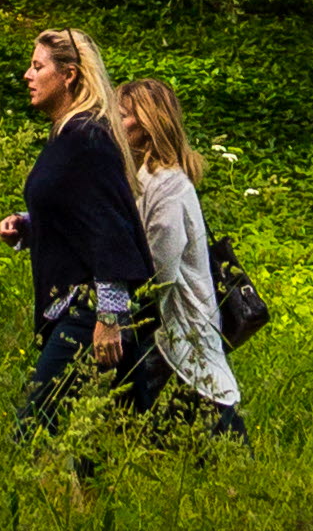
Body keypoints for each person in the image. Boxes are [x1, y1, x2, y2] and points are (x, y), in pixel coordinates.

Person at [0, 26, 152, 439]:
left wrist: (109, 318)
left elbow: (111, 226)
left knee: (31, 431)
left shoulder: (87, 137)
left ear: (68, 75)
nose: (27, 75)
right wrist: (27, 226)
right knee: (95, 442)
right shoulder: (66, 134)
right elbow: (76, 214)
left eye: (37, 66)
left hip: (86, 312)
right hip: (70, 307)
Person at [114, 77, 246, 443]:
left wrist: (112, 301)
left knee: (208, 416)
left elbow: (161, 272)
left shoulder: (167, 185)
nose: (115, 123)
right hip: (164, 331)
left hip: (178, 323)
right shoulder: (144, 180)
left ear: (148, 124)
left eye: (123, 116)